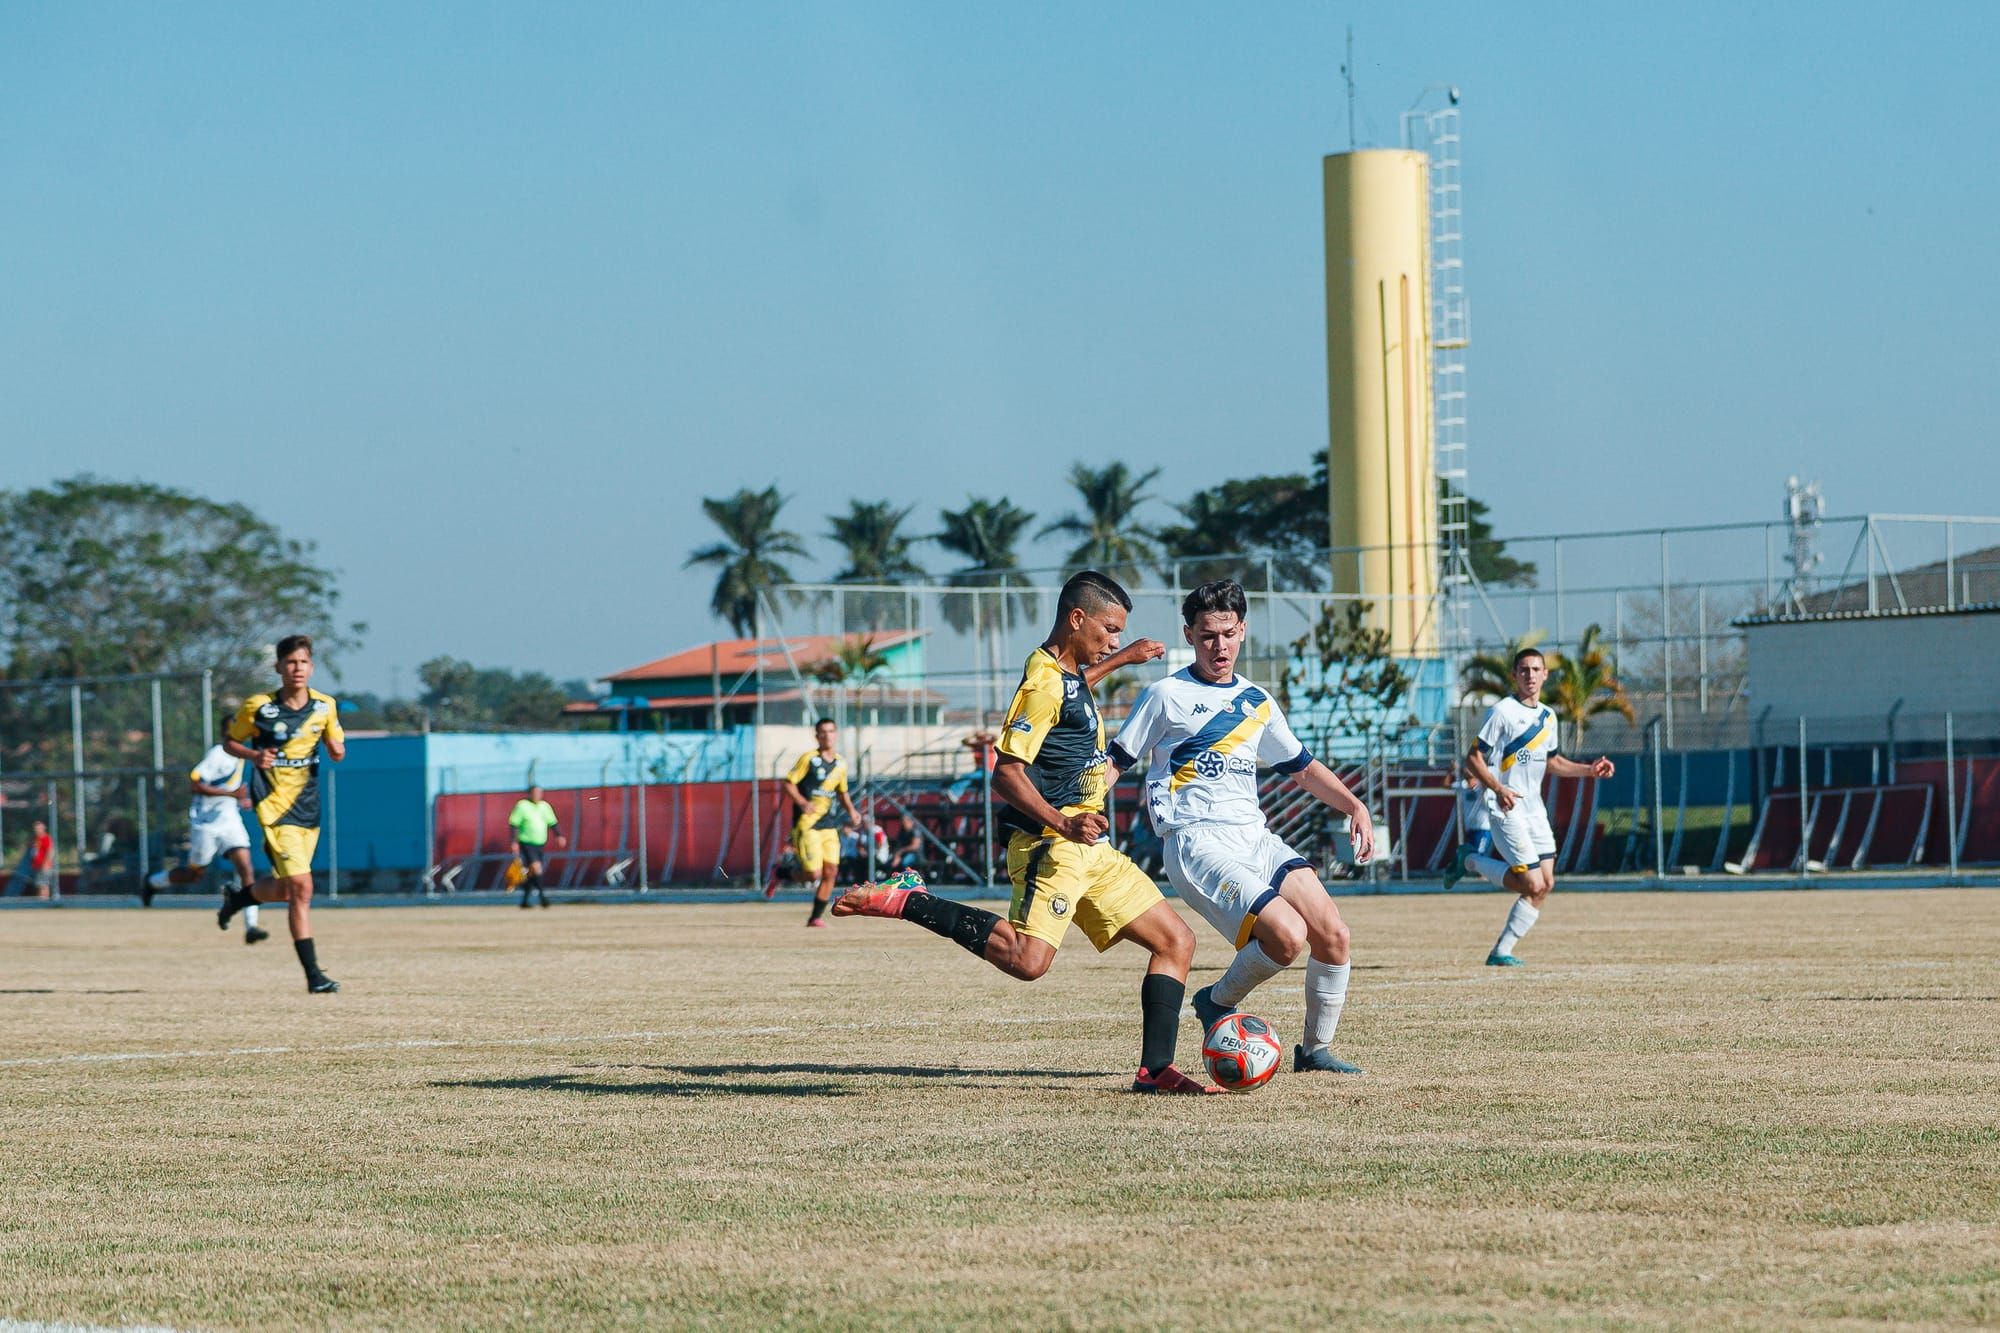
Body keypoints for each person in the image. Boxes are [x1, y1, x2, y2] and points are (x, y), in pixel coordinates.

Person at [836, 570, 1215, 1094]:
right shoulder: (1041, 682)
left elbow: (1073, 692)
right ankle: (910, 899)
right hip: (1053, 843)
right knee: (1028, 961)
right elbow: (1006, 773)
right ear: (1076, 619)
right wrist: (1063, 821)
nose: (1115, 639)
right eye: (1109, 630)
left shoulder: (1065, 675)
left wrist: (1120, 661)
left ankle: (1155, 1071)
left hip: (1091, 849)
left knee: (1176, 941)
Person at [1108, 579, 1377, 1075]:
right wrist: (1074, 815)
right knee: (1287, 937)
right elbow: (1116, 761)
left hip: (1254, 836)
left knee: (1333, 934)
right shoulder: (1165, 695)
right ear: (1189, 635)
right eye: (1208, 635)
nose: (1220, 646)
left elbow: (1301, 766)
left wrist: (1354, 804)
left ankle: (1314, 1052)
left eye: (1229, 634)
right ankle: (1215, 1001)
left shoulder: (1257, 700)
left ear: (1243, 631)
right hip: (1196, 841)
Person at [1442, 646, 1615, 965]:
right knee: (1531, 882)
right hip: (1505, 808)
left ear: (1545, 675)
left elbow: (1553, 762)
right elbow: (1473, 757)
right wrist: (1497, 787)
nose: (1530, 676)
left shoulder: (1548, 716)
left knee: (1545, 884)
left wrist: (1589, 770)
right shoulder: (1502, 712)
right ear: (1514, 676)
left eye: (1536, 670)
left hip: (1535, 811)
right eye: (1524, 670)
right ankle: (1471, 862)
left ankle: (1501, 953)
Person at [216, 635, 346, 993]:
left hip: (308, 807)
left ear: (312, 666)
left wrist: (336, 750)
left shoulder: (325, 706)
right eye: (290, 663)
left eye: (303, 662)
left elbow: (337, 746)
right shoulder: (259, 707)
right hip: (274, 806)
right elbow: (231, 741)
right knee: (303, 888)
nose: (297, 669)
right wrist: (254, 756)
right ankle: (314, 976)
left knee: (290, 890)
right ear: (278, 668)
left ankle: (240, 898)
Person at [143, 720, 270, 943]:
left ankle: (252, 926)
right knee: (194, 875)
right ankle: (153, 882)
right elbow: (195, 784)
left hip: (230, 821)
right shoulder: (218, 754)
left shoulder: (243, 755)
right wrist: (231, 795)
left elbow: (237, 788)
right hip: (206, 824)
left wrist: (242, 801)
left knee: (246, 869)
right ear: (224, 732)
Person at [772, 718, 862, 927]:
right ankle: (781, 873)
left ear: (836, 734)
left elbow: (842, 792)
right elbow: (789, 783)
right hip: (808, 824)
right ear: (817, 735)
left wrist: (852, 811)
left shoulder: (841, 763)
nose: (827, 735)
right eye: (822, 732)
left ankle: (815, 918)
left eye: (831, 731)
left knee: (831, 872)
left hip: (829, 824)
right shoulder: (809, 759)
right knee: (813, 873)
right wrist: (802, 802)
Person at [507, 785, 565, 909]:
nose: (538, 795)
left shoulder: (545, 806)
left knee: (532, 872)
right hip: (526, 843)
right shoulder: (522, 805)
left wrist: (559, 836)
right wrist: (514, 841)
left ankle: (525, 901)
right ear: (529, 794)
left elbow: (552, 822)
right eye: (535, 793)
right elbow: (514, 824)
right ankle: (543, 898)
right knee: (536, 868)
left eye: (539, 793)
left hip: (540, 844)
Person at [8, 819, 53, 898]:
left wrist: (45, 864)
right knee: (39, 885)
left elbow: (49, 852)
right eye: (35, 829)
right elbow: (29, 848)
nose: (37, 830)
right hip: (36, 866)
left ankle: (44, 901)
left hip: (43, 866)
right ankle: (40, 901)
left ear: (43, 828)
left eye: (38, 828)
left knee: (44, 884)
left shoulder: (46, 838)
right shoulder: (35, 839)